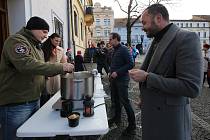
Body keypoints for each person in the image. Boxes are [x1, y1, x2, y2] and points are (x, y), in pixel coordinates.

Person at [129, 4, 202, 140]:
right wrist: (146, 97)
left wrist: (147, 78)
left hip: (170, 125)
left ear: (158, 18)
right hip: (153, 118)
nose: (143, 27)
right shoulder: (156, 40)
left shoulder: (186, 38)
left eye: (144, 23)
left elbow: (191, 87)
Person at [0, 16, 74, 140]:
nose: (46, 36)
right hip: (17, 104)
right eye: (44, 32)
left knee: (30, 136)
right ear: (33, 29)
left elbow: (40, 69)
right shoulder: (16, 41)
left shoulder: (36, 46)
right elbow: (27, 65)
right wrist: (61, 67)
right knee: (15, 137)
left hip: (34, 100)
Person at [108, 32, 136, 136]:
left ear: (116, 39)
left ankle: (132, 125)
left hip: (122, 80)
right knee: (115, 100)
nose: (109, 41)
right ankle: (117, 118)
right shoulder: (114, 50)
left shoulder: (124, 49)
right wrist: (111, 72)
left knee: (125, 102)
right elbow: (115, 63)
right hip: (114, 80)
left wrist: (117, 72)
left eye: (110, 39)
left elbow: (131, 64)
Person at [41, 33, 67, 106]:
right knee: (45, 97)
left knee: (56, 95)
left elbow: (64, 63)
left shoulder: (60, 50)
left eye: (59, 41)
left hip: (56, 76)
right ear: (51, 39)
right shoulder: (42, 48)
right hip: (46, 76)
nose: (58, 43)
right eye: (56, 41)